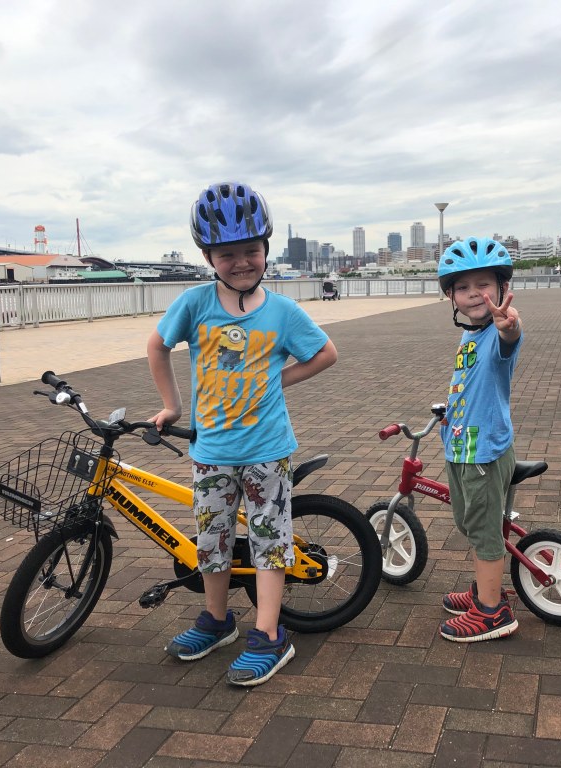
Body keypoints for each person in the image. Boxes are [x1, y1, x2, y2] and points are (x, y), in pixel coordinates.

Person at [148, 181, 338, 685]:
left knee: (269, 541)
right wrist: (172, 406)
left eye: (251, 250)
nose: (241, 262)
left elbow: (325, 353)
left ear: (266, 250)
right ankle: (217, 620)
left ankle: (269, 634)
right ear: (208, 257)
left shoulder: (282, 311)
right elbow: (157, 347)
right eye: (226, 254)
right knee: (211, 541)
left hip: (267, 449)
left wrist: (278, 379)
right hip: (211, 449)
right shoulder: (194, 303)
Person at [436, 236, 522, 642]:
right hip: (462, 446)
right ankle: (486, 589)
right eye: (464, 287)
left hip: (483, 452)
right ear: (451, 295)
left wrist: (510, 325)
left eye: (484, 284)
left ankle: (492, 612)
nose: (474, 293)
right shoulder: (470, 334)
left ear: (502, 288)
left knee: (485, 533)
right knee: (471, 522)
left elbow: (510, 338)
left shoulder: (497, 333)